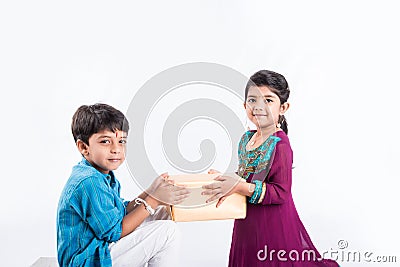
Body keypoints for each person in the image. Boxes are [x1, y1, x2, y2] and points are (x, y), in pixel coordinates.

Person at [202, 70, 339, 266]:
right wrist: (226, 179)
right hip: (247, 219)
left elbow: (281, 192)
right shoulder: (246, 139)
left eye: (268, 100)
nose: (259, 107)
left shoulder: (280, 144)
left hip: (273, 222)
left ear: (283, 107)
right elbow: (247, 175)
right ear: (244, 105)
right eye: (252, 100)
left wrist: (238, 186)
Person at [56, 103, 189, 267]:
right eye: (105, 141)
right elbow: (115, 232)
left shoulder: (101, 175)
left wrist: (150, 192)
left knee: (162, 213)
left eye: (121, 141)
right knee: (168, 231)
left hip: (98, 249)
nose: (116, 149)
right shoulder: (89, 182)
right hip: (87, 261)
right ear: (84, 147)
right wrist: (152, 200)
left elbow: (119, 213)